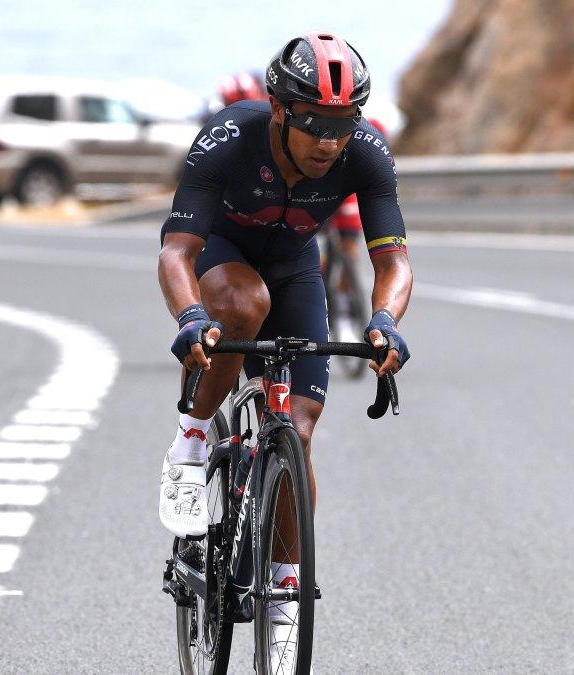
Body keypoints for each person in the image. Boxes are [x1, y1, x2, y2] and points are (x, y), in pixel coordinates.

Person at [156, 33, 413, 668]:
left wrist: (384, 321)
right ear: (280, 112)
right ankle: (190, 444)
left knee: (296, 432)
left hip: (296, 266)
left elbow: (393, 259)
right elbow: (175, 251)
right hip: (222, 254)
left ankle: (284, 597)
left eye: (342, 124)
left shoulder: (367, 151)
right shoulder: (230, 137)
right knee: (244, 308)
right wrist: (191, 318)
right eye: (314, 124)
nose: (329, 141)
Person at [325, 116, 389, 343]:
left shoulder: (372, 130)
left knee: (349, 247)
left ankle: (342, 311)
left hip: (347, 188)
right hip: (313, 187)